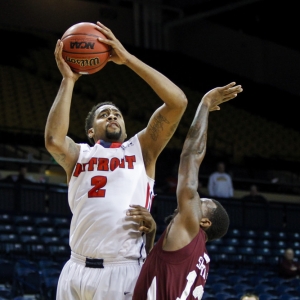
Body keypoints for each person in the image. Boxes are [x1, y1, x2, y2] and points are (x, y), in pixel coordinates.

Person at [44, 21, 187, 299]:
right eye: (103, 114)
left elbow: (177, 102)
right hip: (75, 268)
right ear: (90, 130)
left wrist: (128, 59)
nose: (112, 116)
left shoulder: (142, 149)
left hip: (121, 270)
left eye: (117, 114)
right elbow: (53, 141)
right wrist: (68, 80)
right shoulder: (79, 155)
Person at [132, 82, 243, 300]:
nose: (193, 201)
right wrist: (152, 235)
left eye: (200, 203)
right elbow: (161, 275)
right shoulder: (200, 257)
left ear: (204, 222)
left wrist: (205, 104)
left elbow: (190, 157)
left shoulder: (191, 226)